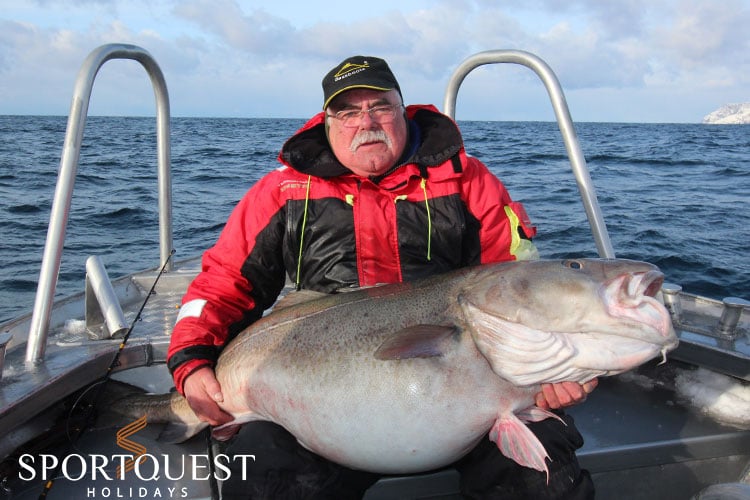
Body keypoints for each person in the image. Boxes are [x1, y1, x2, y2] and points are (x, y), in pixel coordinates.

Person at [167, 55, 597, 499]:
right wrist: (191, 361)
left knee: (545, 477)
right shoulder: (282, 192)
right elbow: (221, 284)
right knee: (263, 471)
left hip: (473, 406)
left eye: (380, 107)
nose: (365, 122)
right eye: (348, 112)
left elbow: (516, 288)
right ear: (326, 121)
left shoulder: (469, 182)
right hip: (317, 411)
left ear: (404, 109)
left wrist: (556, 374)